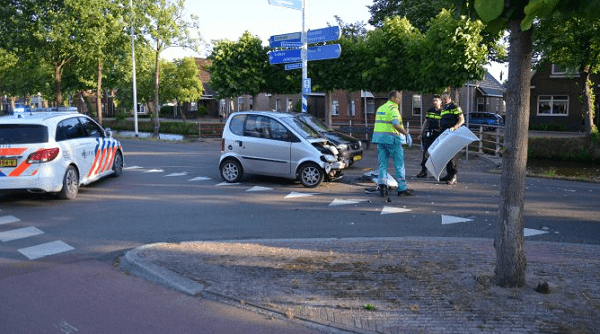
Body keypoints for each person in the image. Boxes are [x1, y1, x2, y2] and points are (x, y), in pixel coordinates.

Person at [371, 90, 414, 197]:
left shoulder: (380, 108)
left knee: (382, 165)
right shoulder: (393, 109)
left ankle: (383, 188)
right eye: (399, 98)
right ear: (394, 98)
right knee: (399, 165)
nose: (400, 100)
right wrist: (406, 133)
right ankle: (402, 189)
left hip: (380, 140)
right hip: (392, 140)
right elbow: (395, 124)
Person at [439, 92, 465, 185]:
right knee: (446, 154)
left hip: (452, 133)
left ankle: (454, 176)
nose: (443, 100)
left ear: (449, 98)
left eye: (445, 98)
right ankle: (449, 174)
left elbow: (462, 120)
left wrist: (454, 127)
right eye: (442, 98)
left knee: (452, 155)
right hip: (444, 132)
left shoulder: (455, 106)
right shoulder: (444, 108)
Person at [416, 95, 442, 178]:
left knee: (437, 153)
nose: (435, 102)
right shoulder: (430, 110)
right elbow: (425, 122)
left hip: (438, 134)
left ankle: (437, 172)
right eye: (434, 100)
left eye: (436, 101)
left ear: (440, 102)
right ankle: (424, 171)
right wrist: (421, 133)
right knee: (425, 152)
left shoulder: (443, 111)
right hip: (429, 134)